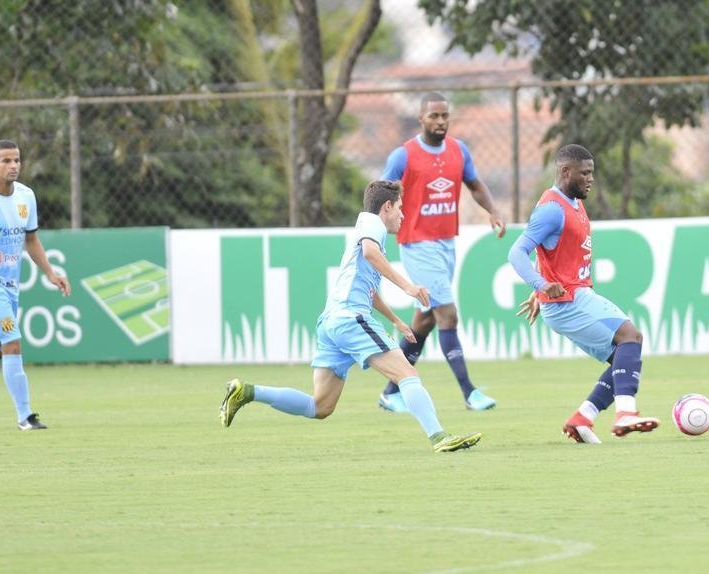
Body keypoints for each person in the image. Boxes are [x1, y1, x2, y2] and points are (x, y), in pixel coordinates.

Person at [219, 180, 481, 454]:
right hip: (349, 319)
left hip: (331, 323)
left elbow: (369, 289)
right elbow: (370, 253)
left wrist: (395, 320)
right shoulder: (372, 224)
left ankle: (247, 392)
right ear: (387, 207)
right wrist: (408, 286)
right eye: (400, 208)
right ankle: (439, 437)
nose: (403, 215)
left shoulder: (368, 232)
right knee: (407, 374)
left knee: (319, 407)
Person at [507, 143, 658, 444]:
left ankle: (582, 418)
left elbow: (551, 251)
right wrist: (540, 286)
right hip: (568, 301)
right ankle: (625, 414)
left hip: (570, 297)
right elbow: (517, 252)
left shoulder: (573, 202)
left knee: (624, 358)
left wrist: (541, 291)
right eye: (585, 173)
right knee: (631, 337)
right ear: (565, 172)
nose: (590, 179)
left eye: (592, 173)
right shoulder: (551, 209)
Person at [376, 92, 506, 415]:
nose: (440, 121)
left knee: (425, 320)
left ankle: (391, 392)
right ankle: (469, 392)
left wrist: (492, 210)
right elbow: (381, 196)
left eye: (445, 116)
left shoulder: (458, 150)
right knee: (448, 314)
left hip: (447, 243)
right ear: (421, 119)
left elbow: (474, 184)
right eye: (433, 116)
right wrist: (377, 232)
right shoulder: (403, 156)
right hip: (417, 244)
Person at [0, 140, 72, 430]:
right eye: (6, 161)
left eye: (17, 160)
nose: (13, 166)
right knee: (12, 341)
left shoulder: (26, 196)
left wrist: (50, 273)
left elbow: (30, 240)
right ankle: (25, 416)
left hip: (10, 285)